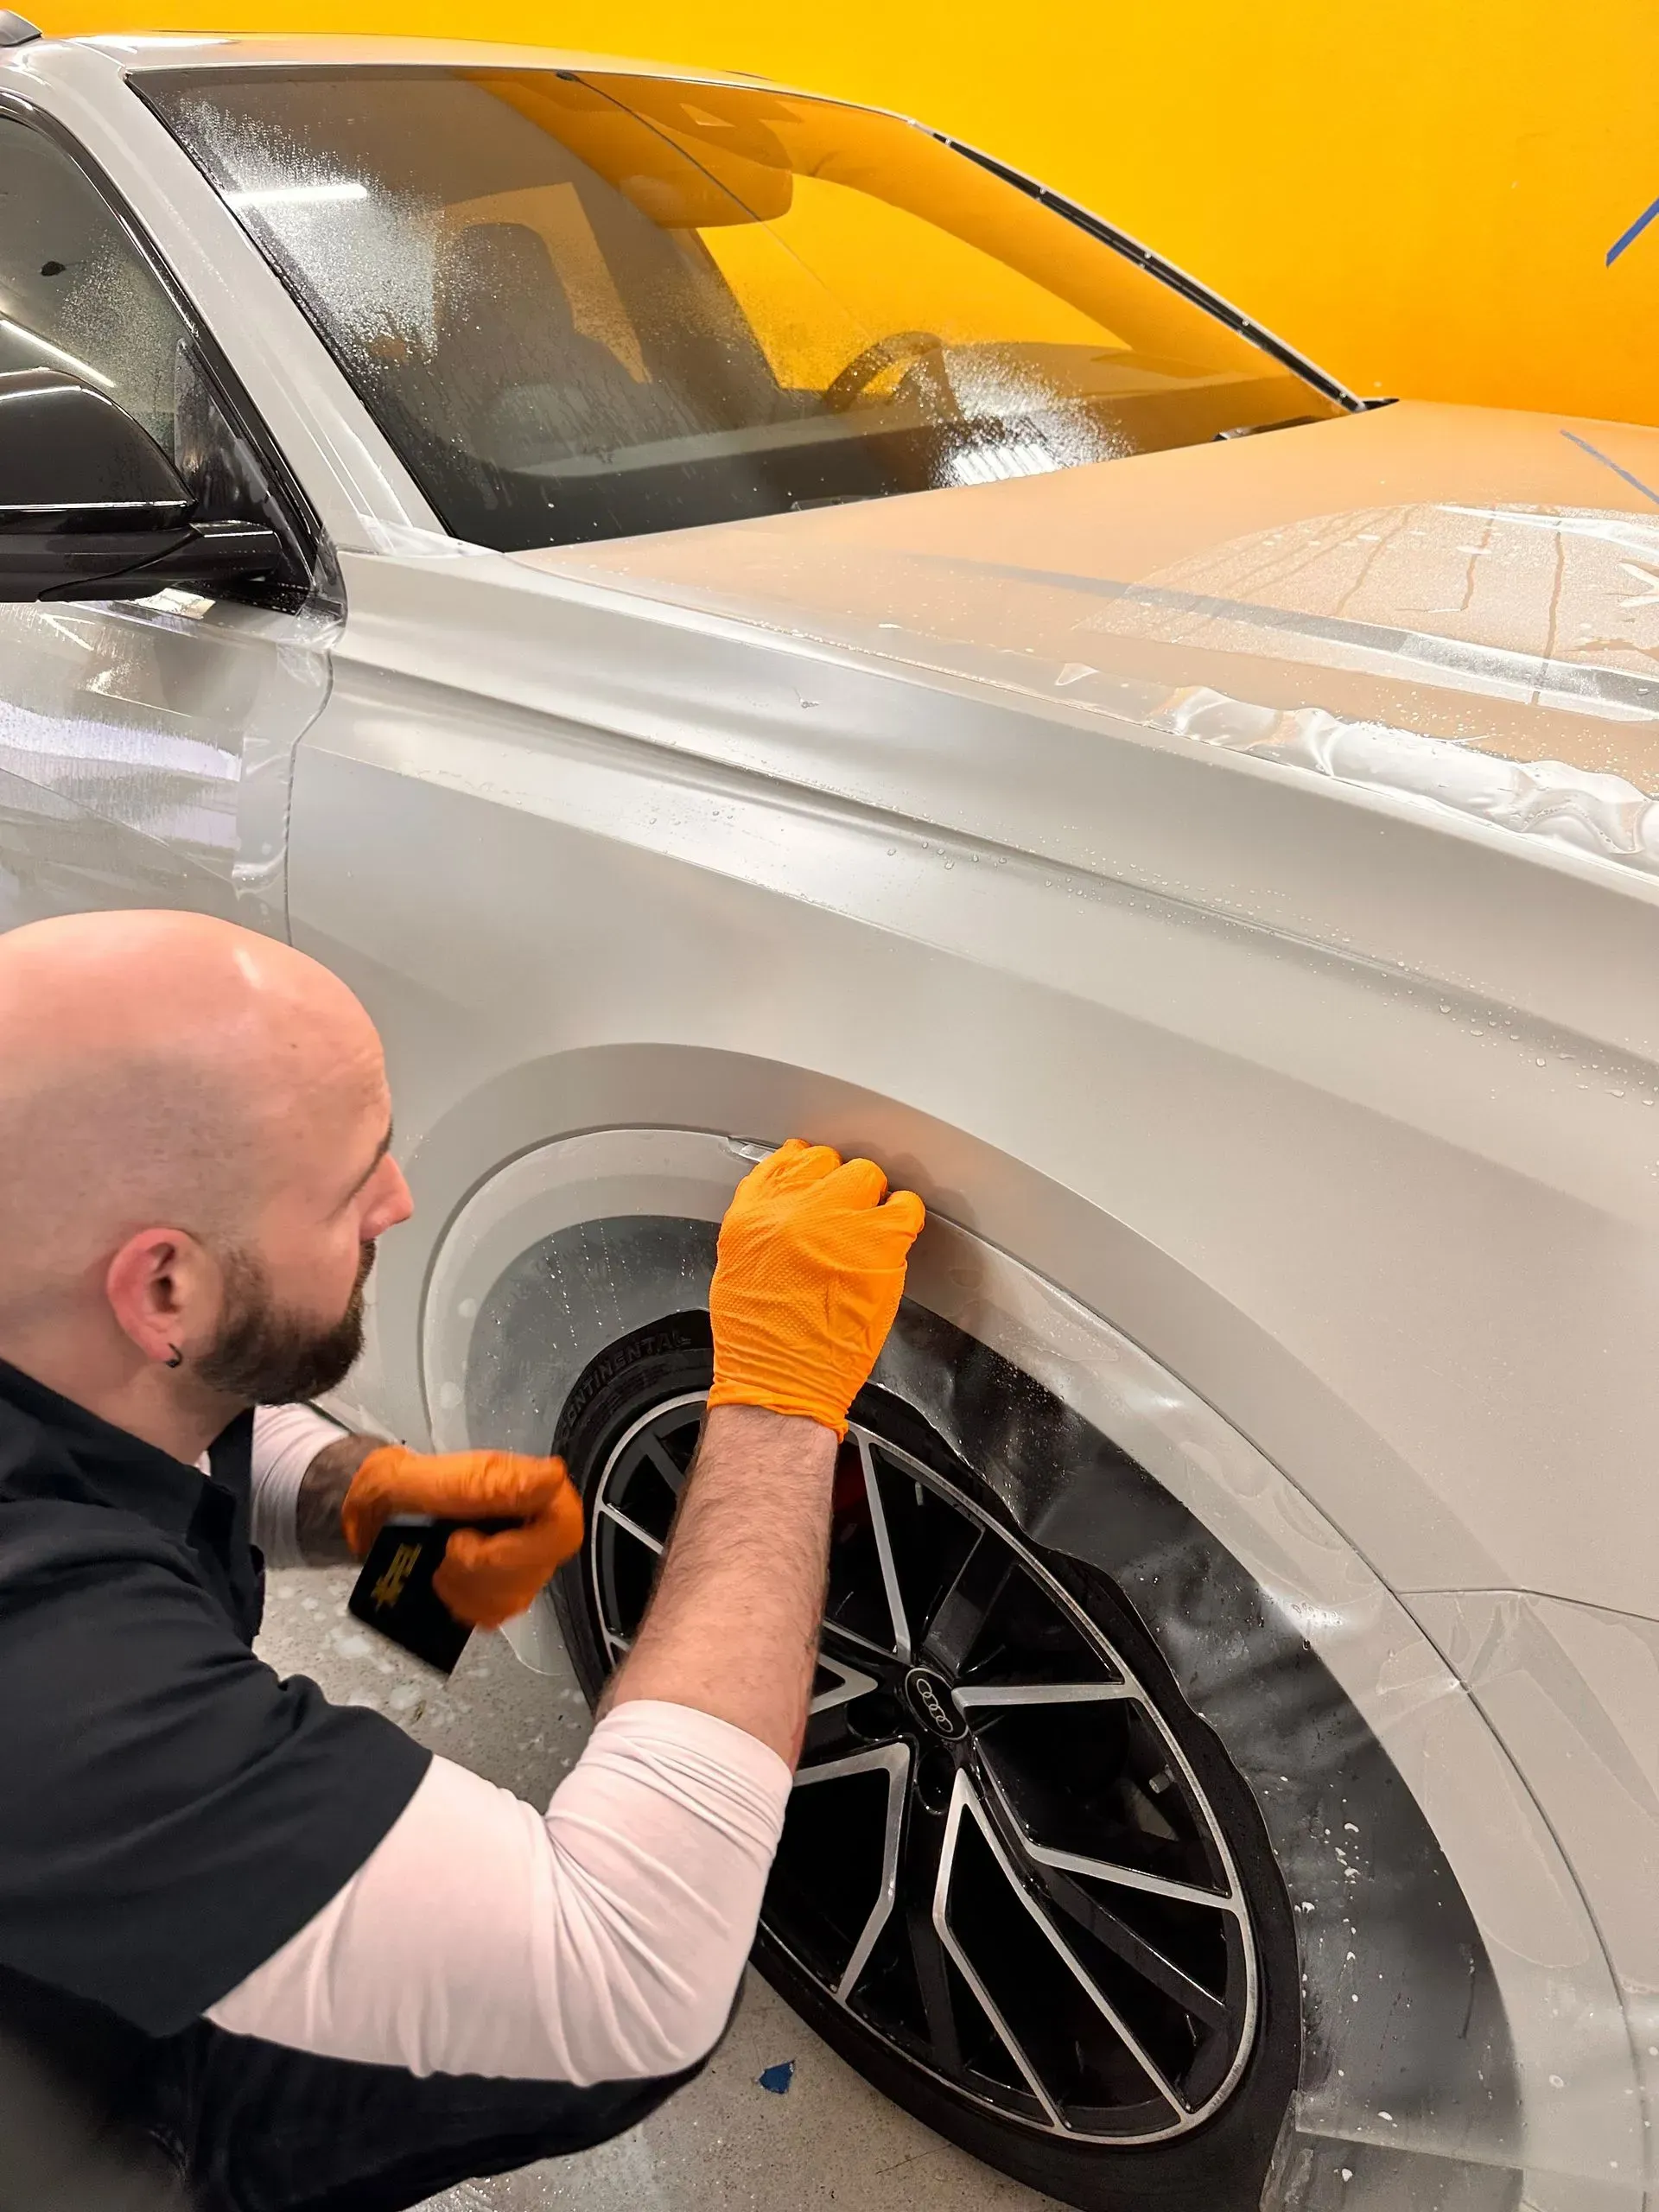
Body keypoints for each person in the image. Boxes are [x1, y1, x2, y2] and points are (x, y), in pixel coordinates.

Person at [0, 909, 925, 2212]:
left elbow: (147, 1413)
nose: (401, 1200)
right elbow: (626, 1978)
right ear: (163, 1290)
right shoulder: (51, 1684)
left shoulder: (51, 1302)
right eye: (353, 1181)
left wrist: (364, 1506)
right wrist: (775, 1413)